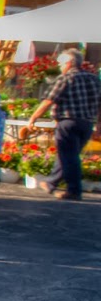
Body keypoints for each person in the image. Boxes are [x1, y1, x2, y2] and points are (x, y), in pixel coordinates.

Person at [20, 48, 99, 200]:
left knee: (69, 156)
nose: (59, 66)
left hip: (68, 122)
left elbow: (48, 100)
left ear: (69, 63)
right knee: (68, 154)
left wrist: (33, 118)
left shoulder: (66, 78)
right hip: (87, 124)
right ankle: (51, 182)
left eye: (60, 63)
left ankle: (74, 190)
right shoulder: (94, 79)